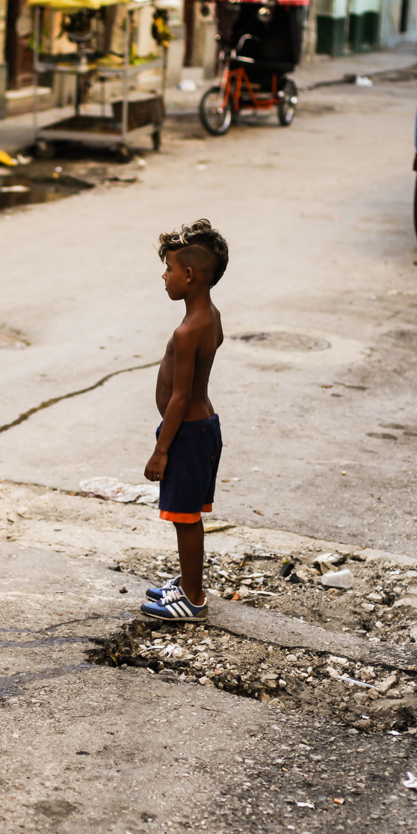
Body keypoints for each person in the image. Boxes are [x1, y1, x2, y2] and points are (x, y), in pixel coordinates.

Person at [139, 220, 228, 623]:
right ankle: (187, 583)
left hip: (188, 435)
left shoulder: (187, 330)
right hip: (203, 428)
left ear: (189, 275)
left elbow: (179, 397)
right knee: (187, 516)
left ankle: (193, 598)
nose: (164, 276)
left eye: (169, 269)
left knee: (186, 519)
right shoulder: (211, 315)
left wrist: (161, 451)